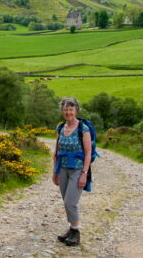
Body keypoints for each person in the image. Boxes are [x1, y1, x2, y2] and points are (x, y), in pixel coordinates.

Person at [52, 97, 91, 246]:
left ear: (76, 111)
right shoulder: (60, 128)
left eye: (71, 109)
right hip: (62, 168)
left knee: (70, 201)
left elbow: (88, 153)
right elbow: (56, 151)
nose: (68, 112)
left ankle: (76, 232)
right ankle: (71, 230)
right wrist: (54, 172)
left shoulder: (83, 129)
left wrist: (84, 174)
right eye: (66, 109)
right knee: (66, 201)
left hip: (77, 169)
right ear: (62, 111)